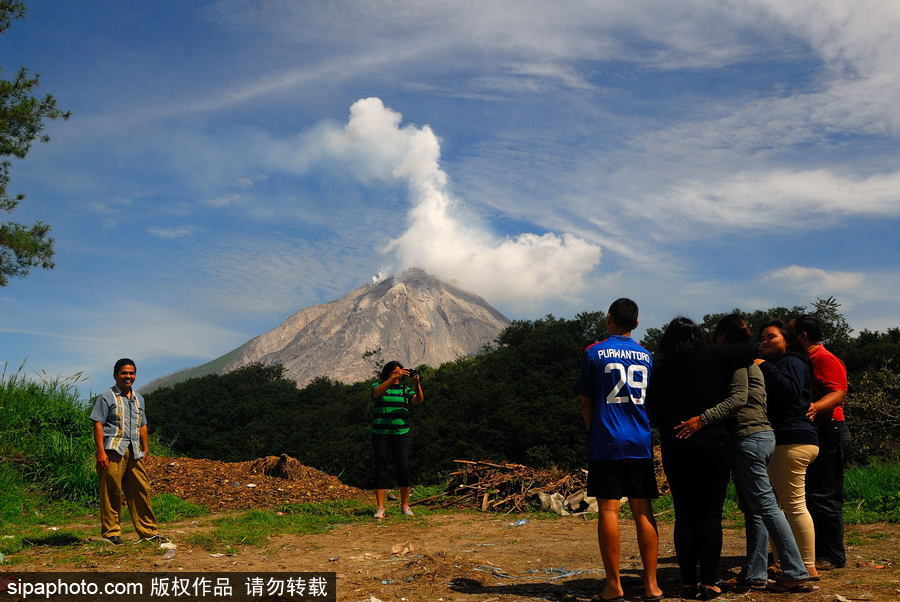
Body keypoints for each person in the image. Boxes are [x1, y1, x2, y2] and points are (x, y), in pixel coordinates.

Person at [674, 315, 809, 591]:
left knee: (768, 507)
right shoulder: (749, 362)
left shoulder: (737, 363)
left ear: (722, 338)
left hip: (749, 438)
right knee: (756, 510)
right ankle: (757, 573)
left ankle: (795, 570)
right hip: (761, 436)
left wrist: (703, 418)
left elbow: (737, 399)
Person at [647, 316, 756, 600]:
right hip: (713, 443)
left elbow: (653, 413)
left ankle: (686, 583)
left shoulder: (659, 369)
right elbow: (752, 349)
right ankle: (708, 582)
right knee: (710, 514)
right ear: (699, 335)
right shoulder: (716, 356)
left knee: (684, 514)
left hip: (676, 445)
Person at [573, 298, 663, 602]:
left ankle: (614, 586)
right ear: (636, 324)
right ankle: (652, 585)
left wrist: (593, 430)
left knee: (609, 509)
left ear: (608, 318)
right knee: (643, 510)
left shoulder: (593, 352)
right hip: (640, 440)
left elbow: (586, 401)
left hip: (607, 441)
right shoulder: (647, 356)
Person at [756, 320, 819, 583]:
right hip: (791, 440)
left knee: (792, 504)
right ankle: (784, 561)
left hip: (791, 440)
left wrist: (765, 367)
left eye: (771, 337)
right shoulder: (787, 362)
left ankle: (805, 565)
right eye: (762, 338)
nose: (765, 341)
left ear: (787, 339)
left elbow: (790, 392)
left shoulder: (792, 361)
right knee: (781, 505)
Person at [791, 314, 850, 571]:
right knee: (813, 495)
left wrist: (814, 407)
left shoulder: (824, 358)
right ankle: (815, 552)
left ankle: (834, 555)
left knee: (825, 495)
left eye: (790, 331)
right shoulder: (806, 359)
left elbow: (839, 392)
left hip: (830, 430)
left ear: (803, 335)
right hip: (818, 432)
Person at [89, 358, 166, 544]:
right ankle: (111, 533)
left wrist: (145, 448)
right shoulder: (106, 396)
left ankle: (148, 532)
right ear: (116, 375)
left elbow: (143, 425)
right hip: (113, 450)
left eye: (131, 373)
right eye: (124, 373)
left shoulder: (139, 398)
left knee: (141, 489)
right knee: (111, 491)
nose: (128, 377)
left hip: (134, 451)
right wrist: (100, 452)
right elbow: (98, 424)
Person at [371, 360, 424, 519]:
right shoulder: (377, 385)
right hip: (381, 434)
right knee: (381, 468)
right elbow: (376, 394)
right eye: (395, 373)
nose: (398, 376)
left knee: (403, 467)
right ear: (387, 373)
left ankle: (405, 505)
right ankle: (380, 507)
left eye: (400, 373)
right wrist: (392, 378)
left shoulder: (404, 389)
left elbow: (418, 400)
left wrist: (417, 383)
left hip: (401, 434)